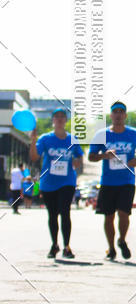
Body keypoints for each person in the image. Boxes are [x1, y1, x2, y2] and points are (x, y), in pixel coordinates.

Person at [89, 102, 136, 260]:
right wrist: (104, 155)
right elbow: (91, 156)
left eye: (121, 112)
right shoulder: (101, 135)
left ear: (125, 115)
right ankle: (111, 248)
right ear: (111, 115)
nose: (118, 115)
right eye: (115, 112)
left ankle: (122, 240)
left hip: (127, 180)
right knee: (108, 216)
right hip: (108, 182)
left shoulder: (134, 134)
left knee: (124, 213)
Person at [30, 109, 83, 258]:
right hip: (48, 182)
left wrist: (76, 162)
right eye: (57, 117)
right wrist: (33, 141)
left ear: (66, 121)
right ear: (53, 120)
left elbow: (79, 158)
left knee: (65, 211)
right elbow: (34, 157)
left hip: (67, 181)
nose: (59, 119)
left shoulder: (72, 139)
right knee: (52, 214)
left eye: (62, 117)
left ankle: (67, 246)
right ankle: (54, 245)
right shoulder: (45, 139)